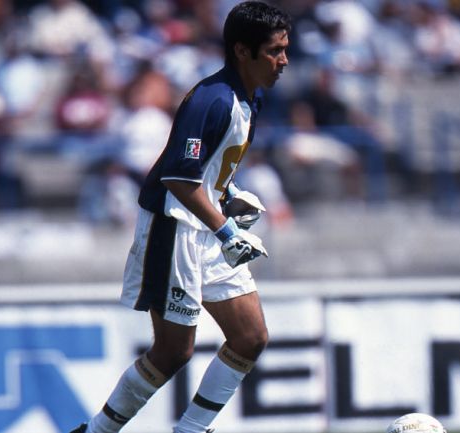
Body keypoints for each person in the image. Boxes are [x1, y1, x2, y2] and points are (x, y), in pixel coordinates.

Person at [68, 2, 291, 433]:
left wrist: (230, 199)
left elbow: (203, 176)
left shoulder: (248, 100)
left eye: (285, 49)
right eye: (275, 51)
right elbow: (176, 178)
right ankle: (96, 432)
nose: (284, 61)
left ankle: (190, 430)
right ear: (243, 51)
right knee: (173, 352)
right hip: (175, 231)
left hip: (207, 230)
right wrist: (225, 228)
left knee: (251, 337)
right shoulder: (212, 100)